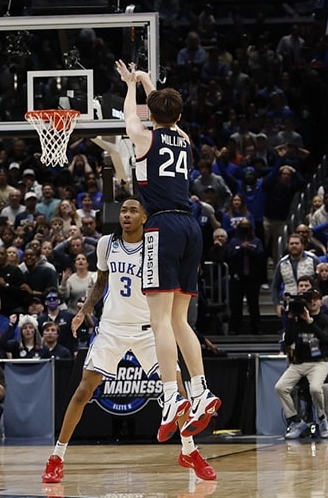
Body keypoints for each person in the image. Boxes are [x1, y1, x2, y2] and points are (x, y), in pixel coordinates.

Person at [43, 197, 216, 484]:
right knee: (84, 391)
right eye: (123, 210)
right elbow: (101, 282)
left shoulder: (156, 246)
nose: (126, 215)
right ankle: (56, 457)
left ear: (145, 217)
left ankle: (189, 451)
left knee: (178, 393)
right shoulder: (106, 244)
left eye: (133, 210)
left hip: (149, 330)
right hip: (112, 328)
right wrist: (85, 311)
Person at [116, 60, 220, 440]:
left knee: (158, 320)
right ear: (178, 115)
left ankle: (171, 395)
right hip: (192, 227)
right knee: (180, 321)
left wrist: (130, 84)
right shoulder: (185, 140)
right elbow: (166, 114)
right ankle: (200, 390)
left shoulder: (144, 138)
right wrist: (147, 81)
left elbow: (131, 117)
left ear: (154, 114)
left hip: (162, 226)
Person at [277, 288, 328, 439]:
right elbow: (288, 341)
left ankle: (321, 418)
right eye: (309, 300)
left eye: (315, 298)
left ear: (321, 301)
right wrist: (290, 318)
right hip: (298, 363)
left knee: (315, 389)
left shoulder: (327, 321)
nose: (313, 302)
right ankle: (296, 421)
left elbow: (326, 339)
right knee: (280, 387)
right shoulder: (297, 320)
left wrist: (310, 322)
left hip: (319, 363)